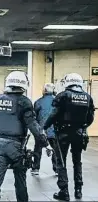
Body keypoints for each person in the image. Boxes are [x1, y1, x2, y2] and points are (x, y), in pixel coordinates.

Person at [0, 71, 48, 202]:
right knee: (20, 179)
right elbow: (32, 125)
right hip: (16, 145)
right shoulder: (24, 102)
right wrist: (45, 142)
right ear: (24, 85)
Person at [43, 73, 94, 201]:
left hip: (63, 133)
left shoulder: (63, 95)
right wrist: (82, 126)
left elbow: (54, 114)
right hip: (79, 133)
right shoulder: (87, 97)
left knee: (61, 162)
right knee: (77, 161)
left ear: (67, 82)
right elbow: (90, 118)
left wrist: (45, 126)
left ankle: (64, 191)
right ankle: (78, 190)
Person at [32, 83, 57, 176]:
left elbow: (34, 116)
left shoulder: (38, 102)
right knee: (55, 150)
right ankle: (56, 168)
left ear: (44, 91)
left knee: (38, 149)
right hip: (54, 130)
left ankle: (35, 168)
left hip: (41, 130)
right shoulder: (57, 102)